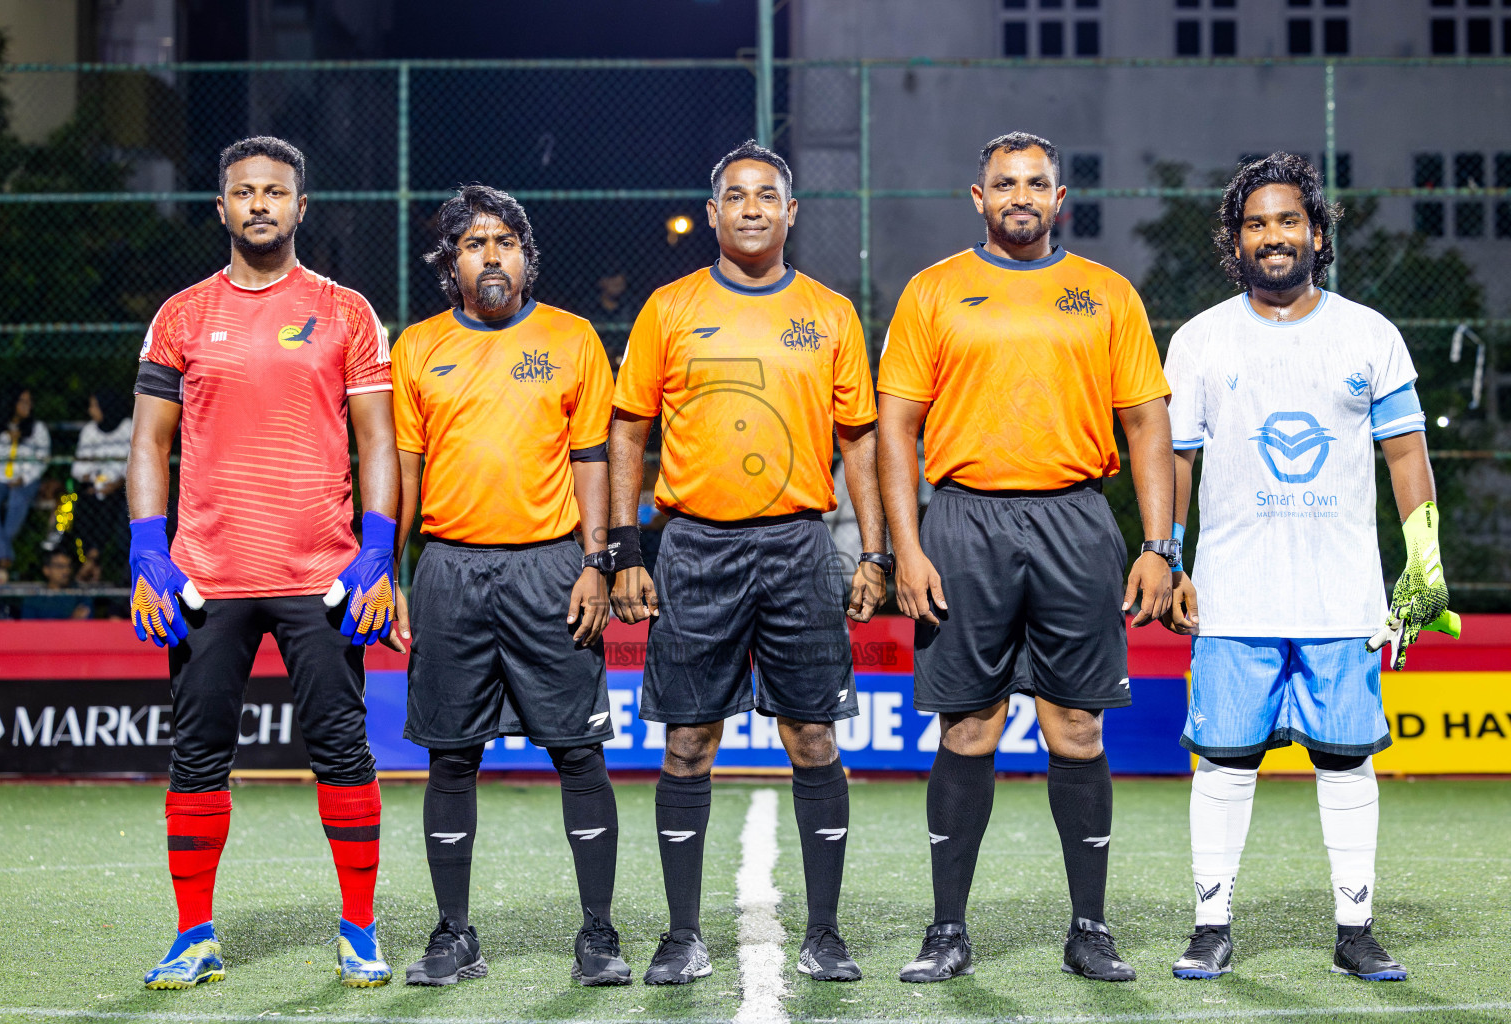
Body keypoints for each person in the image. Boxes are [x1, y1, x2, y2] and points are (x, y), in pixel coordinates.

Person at [877, 131, 1176, 984]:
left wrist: (1160, 546)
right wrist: (905, 547)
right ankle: (947, 931)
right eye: (1004, 183)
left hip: (1076, 518)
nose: (1020, 196)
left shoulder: (1106, 292)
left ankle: (1090, 928)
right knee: (968, 727)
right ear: (979, 198)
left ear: (1059, 199)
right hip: (963, 521)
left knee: (1075, 727)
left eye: (1036, 183)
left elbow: (1146, 423)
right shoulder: (933, 290)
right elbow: (896, 427)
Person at [1162, 152, 1458, 983]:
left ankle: (1355, 931)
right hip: (1233, 596)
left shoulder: (1370, 334)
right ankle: (1211, 927)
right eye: (1255, 224)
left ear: (1317, 234)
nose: (1273, 236)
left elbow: (1406, 453)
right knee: (1224, 763)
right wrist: (1170, 557)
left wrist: (1425, 561)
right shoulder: (1199, 339)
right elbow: (1176, 461)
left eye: (1288, 220)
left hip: (1342, 598)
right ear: (1235, 242)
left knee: (1346, 761)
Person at [610, 140, 887, 985]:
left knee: (813, 734)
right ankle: (682, 935)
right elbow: (627, 428)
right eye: (736, 195)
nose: (753, 207)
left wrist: (872, 551)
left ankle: (825, 933)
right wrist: (625, 548)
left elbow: (860, 441)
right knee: (689, 740)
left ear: (791, 212)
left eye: (768, 194)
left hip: (801, 545)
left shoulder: (830, 313)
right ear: (714, 213)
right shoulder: (669, 308)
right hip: (694, 545)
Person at [126, 136, 400, 989]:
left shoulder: (346, 311)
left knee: (343, 754)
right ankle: (193, 935)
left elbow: (378, 440)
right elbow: (149, 443)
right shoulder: (180, 316)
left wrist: (379, 550)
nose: (258, 204)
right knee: (196, 757)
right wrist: (147, 549)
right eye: (243, 191)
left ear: (300, 207)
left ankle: (359, 930)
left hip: (322, 576)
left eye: (274, 192)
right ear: (221, 208)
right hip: (205, 578)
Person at [391, 185, 627, 988]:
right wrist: (391, 575)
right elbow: (405, 475)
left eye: (506, 241)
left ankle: (599, 933)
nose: (492, 255)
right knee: (451, 758)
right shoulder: (417, 347)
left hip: (550, 568)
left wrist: (597, 563)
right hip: (449, 569)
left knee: (578, 752)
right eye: (473, 243)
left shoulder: (572, 337)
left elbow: (592, 461)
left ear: (526, 256)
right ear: (450, 262)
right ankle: (454, 933)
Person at [0, 387, 51, 581]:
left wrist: (24, 477)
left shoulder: (37, 428)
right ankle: (2, 555)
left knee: (18, 499)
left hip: (25, 478)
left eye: (29, 401)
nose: (28, 406)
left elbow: (43, 459)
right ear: (11, 403)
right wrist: (5, 441)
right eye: (23, 401)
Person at [69, 389, 132, 581]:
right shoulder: (89, 430)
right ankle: (93, 560)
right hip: (94, 486)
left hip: (122, 486)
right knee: (84, 506)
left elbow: (132, 464)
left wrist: (117, 483)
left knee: (109, 508)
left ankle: (91, 561)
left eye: (94, 406)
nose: (90, 410)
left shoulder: (127, 427)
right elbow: (78, 468)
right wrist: (93, 478)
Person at [19, 548, 91, 620]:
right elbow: (27, 625)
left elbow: (89, 621)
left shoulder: (80, 595)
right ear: (46, 570)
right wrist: (72, 620)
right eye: (60, 566)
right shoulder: (34, 599)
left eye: (69, 566)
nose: (66, 571)